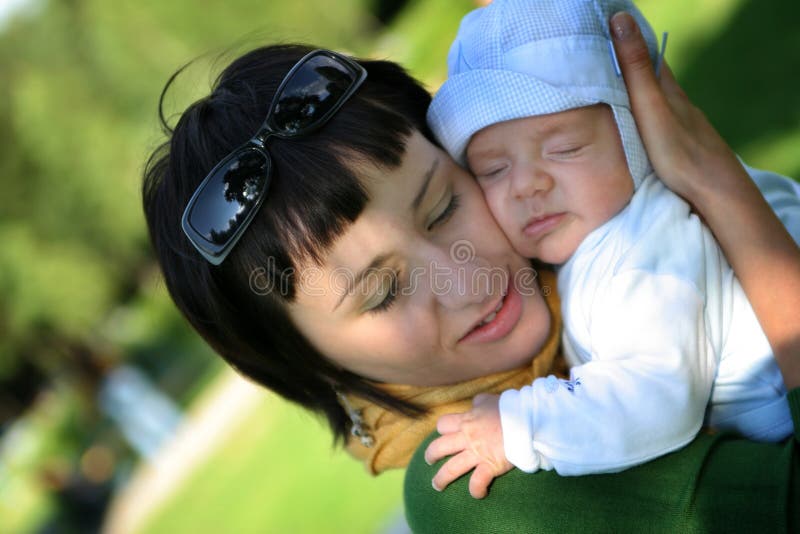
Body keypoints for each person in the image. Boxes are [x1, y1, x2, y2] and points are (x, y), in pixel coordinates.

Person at [141, 14, 800, 532]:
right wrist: (719, 188)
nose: (465, 280)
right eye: (383, 293)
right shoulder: (470, 485)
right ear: (318, 367)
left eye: (445, 206)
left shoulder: (599, 232)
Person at [421, 0, 799, 497]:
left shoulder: (641, 251)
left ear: (638, 135)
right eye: (493, 169)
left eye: (564, 149)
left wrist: (521, 425)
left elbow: (655, 397)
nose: (527, 185)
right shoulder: (603, 237)